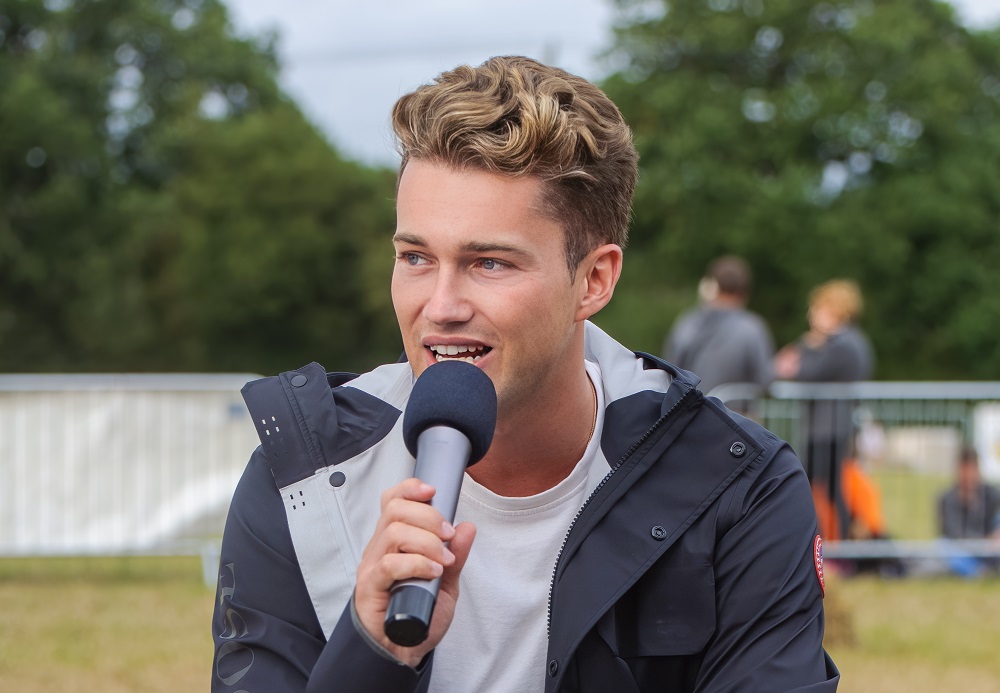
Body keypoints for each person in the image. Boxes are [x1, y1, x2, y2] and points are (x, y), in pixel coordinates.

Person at [211, 56, 839, 692]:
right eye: (416, 257)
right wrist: (372, 652)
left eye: (489, 263)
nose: (442, 306)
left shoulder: (736, 488)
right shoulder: (303, 476)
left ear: (594, 280)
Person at [774, 279, 874, 541]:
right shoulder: (850, 342)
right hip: (830, 426)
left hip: (827, 428)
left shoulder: (841, 344)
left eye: (817, 308)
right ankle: (836, 544)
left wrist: (805, 349)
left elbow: (808, 372)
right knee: (828, 489)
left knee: (812, 488)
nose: (812, 315)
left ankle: (833, 545)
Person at [662, 255, 774, 397]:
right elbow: (765, 380)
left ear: (712, 285)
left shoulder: (688, 322)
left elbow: (669, 369)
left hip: (689, 413)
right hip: (733, 416)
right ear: (745, 291)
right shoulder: (752, 328)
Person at [937, 446, 1000, 576]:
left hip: (989, 550)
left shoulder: (991, 494)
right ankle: (979, 572)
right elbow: (953, 533)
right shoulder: (946, 499)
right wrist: (984, 541)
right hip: (963, 550)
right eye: (965, 469)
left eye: (972, 469)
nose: (968, 475)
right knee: (944, 548)